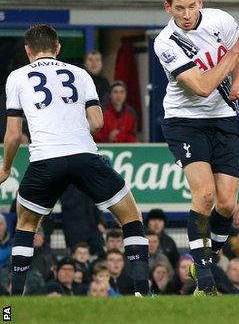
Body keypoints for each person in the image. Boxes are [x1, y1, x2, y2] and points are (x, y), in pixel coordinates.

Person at [1, 24, 149, 297]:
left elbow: (12, 135)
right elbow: (97, 122)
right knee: (131, 217)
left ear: (27, 50)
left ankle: (13, 304)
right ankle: (142, 295)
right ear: (58, 49)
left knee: (25, 225)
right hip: (84, 156)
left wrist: (6, 167)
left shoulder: (17, 77)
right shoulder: (80, 74)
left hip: (46, 159)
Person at [153, 0, 239, 295]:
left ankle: (205, 260)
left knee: (226, 205)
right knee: (205, 196)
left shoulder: (221, 20)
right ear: (168, 7)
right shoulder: (166, 42)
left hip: (225, 119)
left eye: (191, 6)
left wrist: (238, 83)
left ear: (201, 0)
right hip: (185, 121)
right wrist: (235, 50)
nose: (185, 14)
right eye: (178, 8)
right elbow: (202, 86)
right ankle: (207, 283)